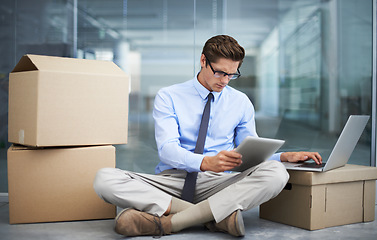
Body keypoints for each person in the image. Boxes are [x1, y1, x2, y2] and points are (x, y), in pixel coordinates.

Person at [93, 35, 322, 237]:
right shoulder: (169, 96)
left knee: (276, 173)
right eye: (220, 72)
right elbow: (167, 150)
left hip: (219, 183)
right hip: (171, 181)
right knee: (105, 179)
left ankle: (171, 222)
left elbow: (248, 154)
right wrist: (205, 162)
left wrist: (283, 157)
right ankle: (215, 216)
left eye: (232, 75)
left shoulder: (240, 102)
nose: (224, 80)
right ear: (203, 61)